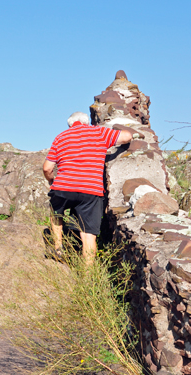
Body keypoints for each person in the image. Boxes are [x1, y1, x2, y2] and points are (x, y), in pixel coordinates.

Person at [42, 112, 133, 262]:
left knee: (56, 211)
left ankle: (58, 248)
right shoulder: (99, 132)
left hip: (64, 187)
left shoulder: (61, 137)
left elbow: (47, 168)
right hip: (91, 190)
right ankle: (88, 275)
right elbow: (127, 136)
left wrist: (52, 181)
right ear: (87, 122)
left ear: (70, 124)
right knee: (88, 234)